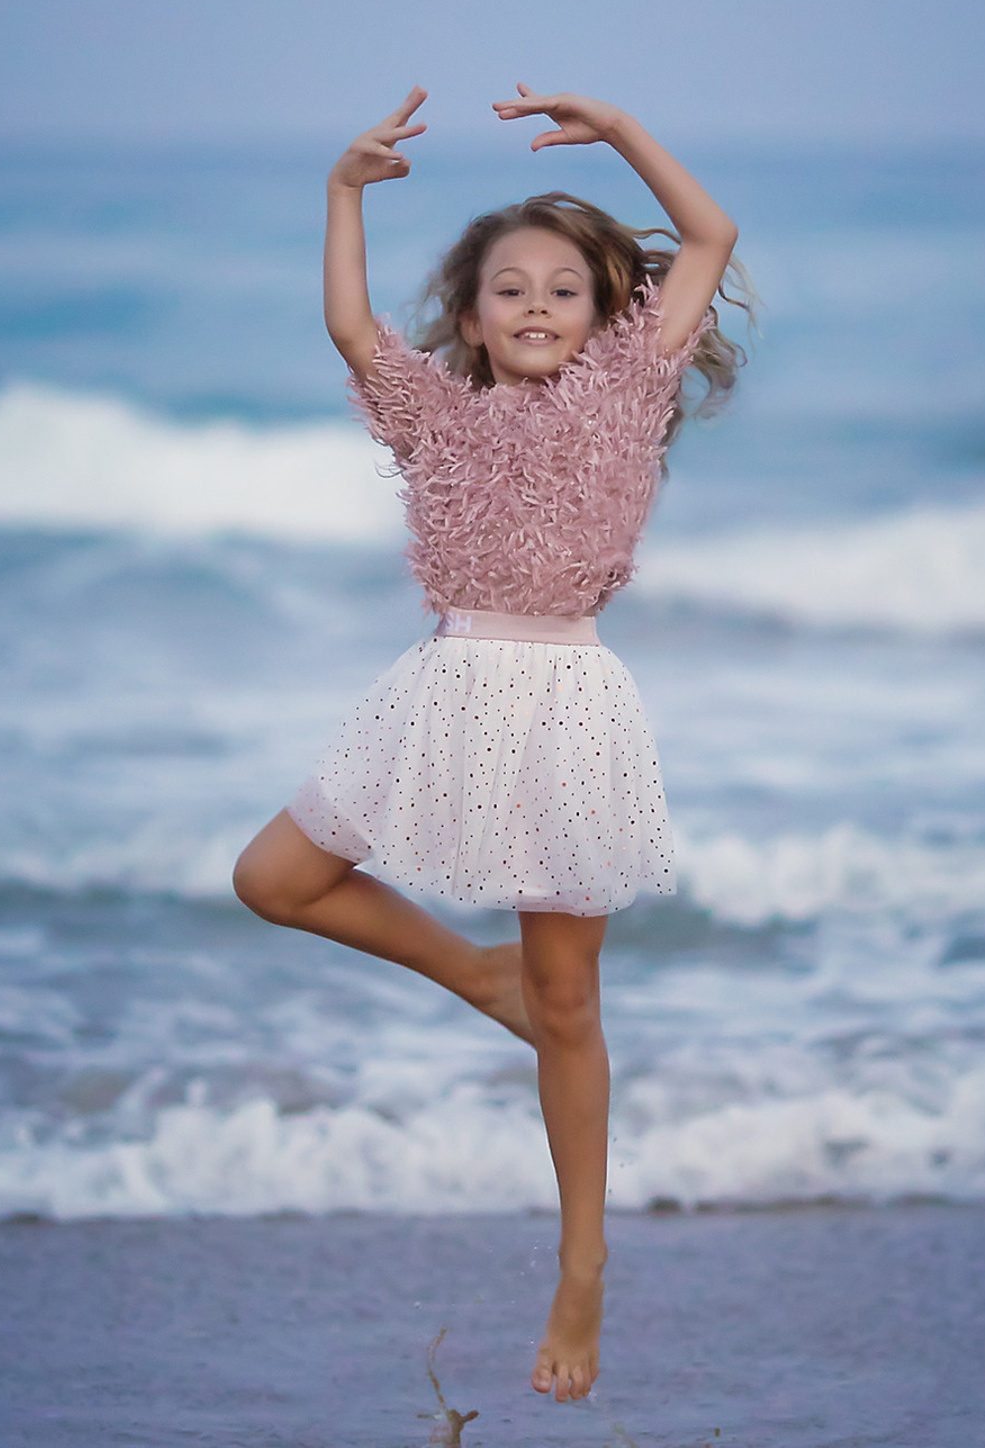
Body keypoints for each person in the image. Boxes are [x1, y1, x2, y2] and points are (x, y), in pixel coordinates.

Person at [233, 83, 745, 1402]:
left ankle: (582, 1268)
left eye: (564, 290)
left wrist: (627, 130)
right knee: (272, 881)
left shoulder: (633, 389)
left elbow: (709, 237)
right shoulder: (431, 420)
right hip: (447, 684)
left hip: (567, 700)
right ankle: (477, 976)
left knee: (571, 1002)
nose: (533, 307)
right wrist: (344, 188)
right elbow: (350, 325)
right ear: (468, 318)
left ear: (607, 317)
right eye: (507, 289)